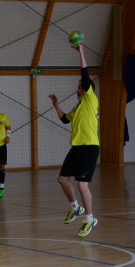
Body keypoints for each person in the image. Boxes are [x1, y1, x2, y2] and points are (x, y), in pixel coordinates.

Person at [49, 41, 100, 238]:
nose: (78, 90)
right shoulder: (78, 107)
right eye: (78, 88)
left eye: (81, 87)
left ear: (87, 90)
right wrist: (56, 104)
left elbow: (85, 75)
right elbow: (64, 119)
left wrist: (81, 52)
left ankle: (89, 219)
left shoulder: (90, 99)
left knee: (82, 185)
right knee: (62, 179)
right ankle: (75, 207)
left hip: (89, 147)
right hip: (77, 147)